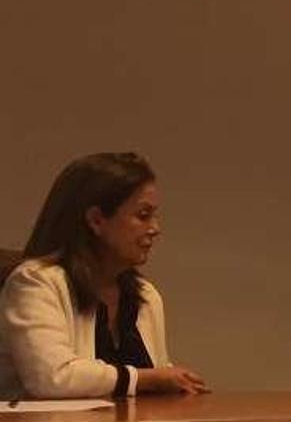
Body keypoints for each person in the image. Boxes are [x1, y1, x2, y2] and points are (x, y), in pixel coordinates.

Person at [0, 152, 208, 399]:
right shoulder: (36, 283)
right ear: (96, 220)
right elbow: (52, 379)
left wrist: (177, 384)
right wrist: (145, 379)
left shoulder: (145, 296)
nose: (155, 228)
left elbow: (155, 383)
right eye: (143, 215)